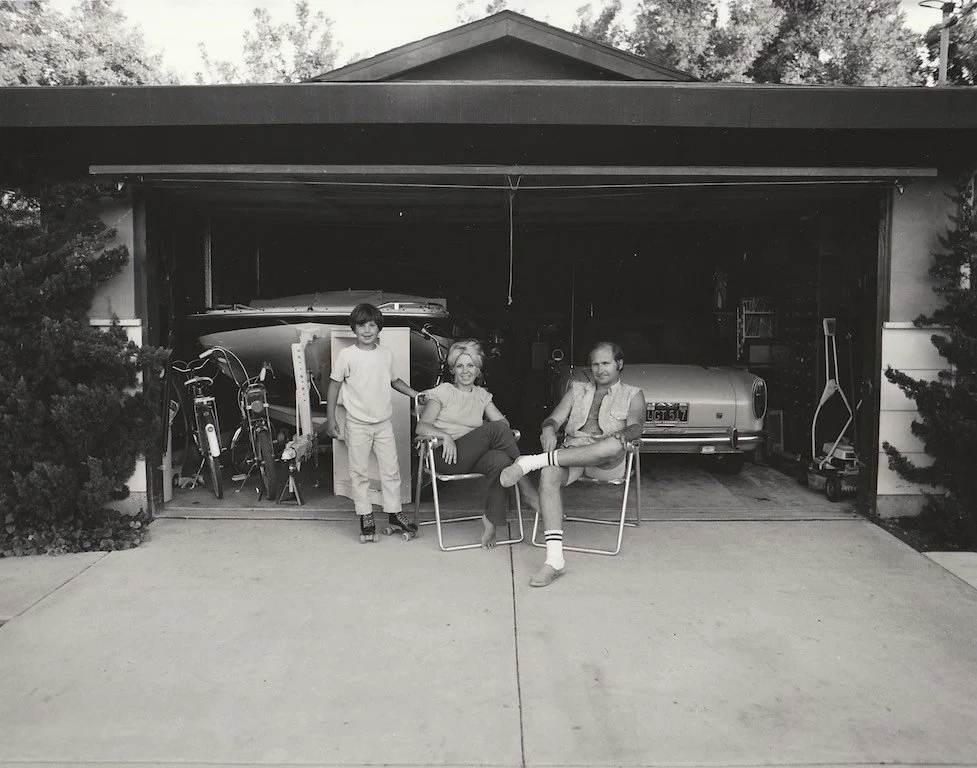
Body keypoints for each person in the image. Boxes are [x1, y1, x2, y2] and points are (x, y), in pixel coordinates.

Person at [500, 341, 646, 587]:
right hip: (573, 454)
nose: (600, 369)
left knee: (613, 443)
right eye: (595, 364)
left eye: (606, 363)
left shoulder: (633, 393)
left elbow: (636, 426)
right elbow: (554, 419)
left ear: (619, 364)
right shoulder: (576, 390)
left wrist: (625, 434)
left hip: (607, 461)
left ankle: (531, 462)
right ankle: (554, 560)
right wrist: (548, 429)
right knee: (549, 473)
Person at [415, 339, 541, 549]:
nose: (465, 371)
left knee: (500, 459)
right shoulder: (444, 391)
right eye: (460, 366)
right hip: (445, 456)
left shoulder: (482, 396)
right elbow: (422, 427)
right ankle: (527, 489)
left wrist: (480, 430)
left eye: (471, 365)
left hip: (471, 455)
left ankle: (491, 519)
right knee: (496, 430)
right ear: (452, 370)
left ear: (478, 370)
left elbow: (503, 424)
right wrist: (446, 436)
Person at [325, 303, 425, 542]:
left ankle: (394, 512)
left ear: (379, 328)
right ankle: (365, 514)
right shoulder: (347, 355)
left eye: (372, 325)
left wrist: (416, 395)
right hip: (357, 424)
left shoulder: (385, 354)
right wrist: (330, 419)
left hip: (383, 423)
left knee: (391, 469)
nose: (367, 330)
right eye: (361, 326)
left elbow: (395, 380)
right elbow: (334, 386)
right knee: (359, 471)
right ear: (354, 328)